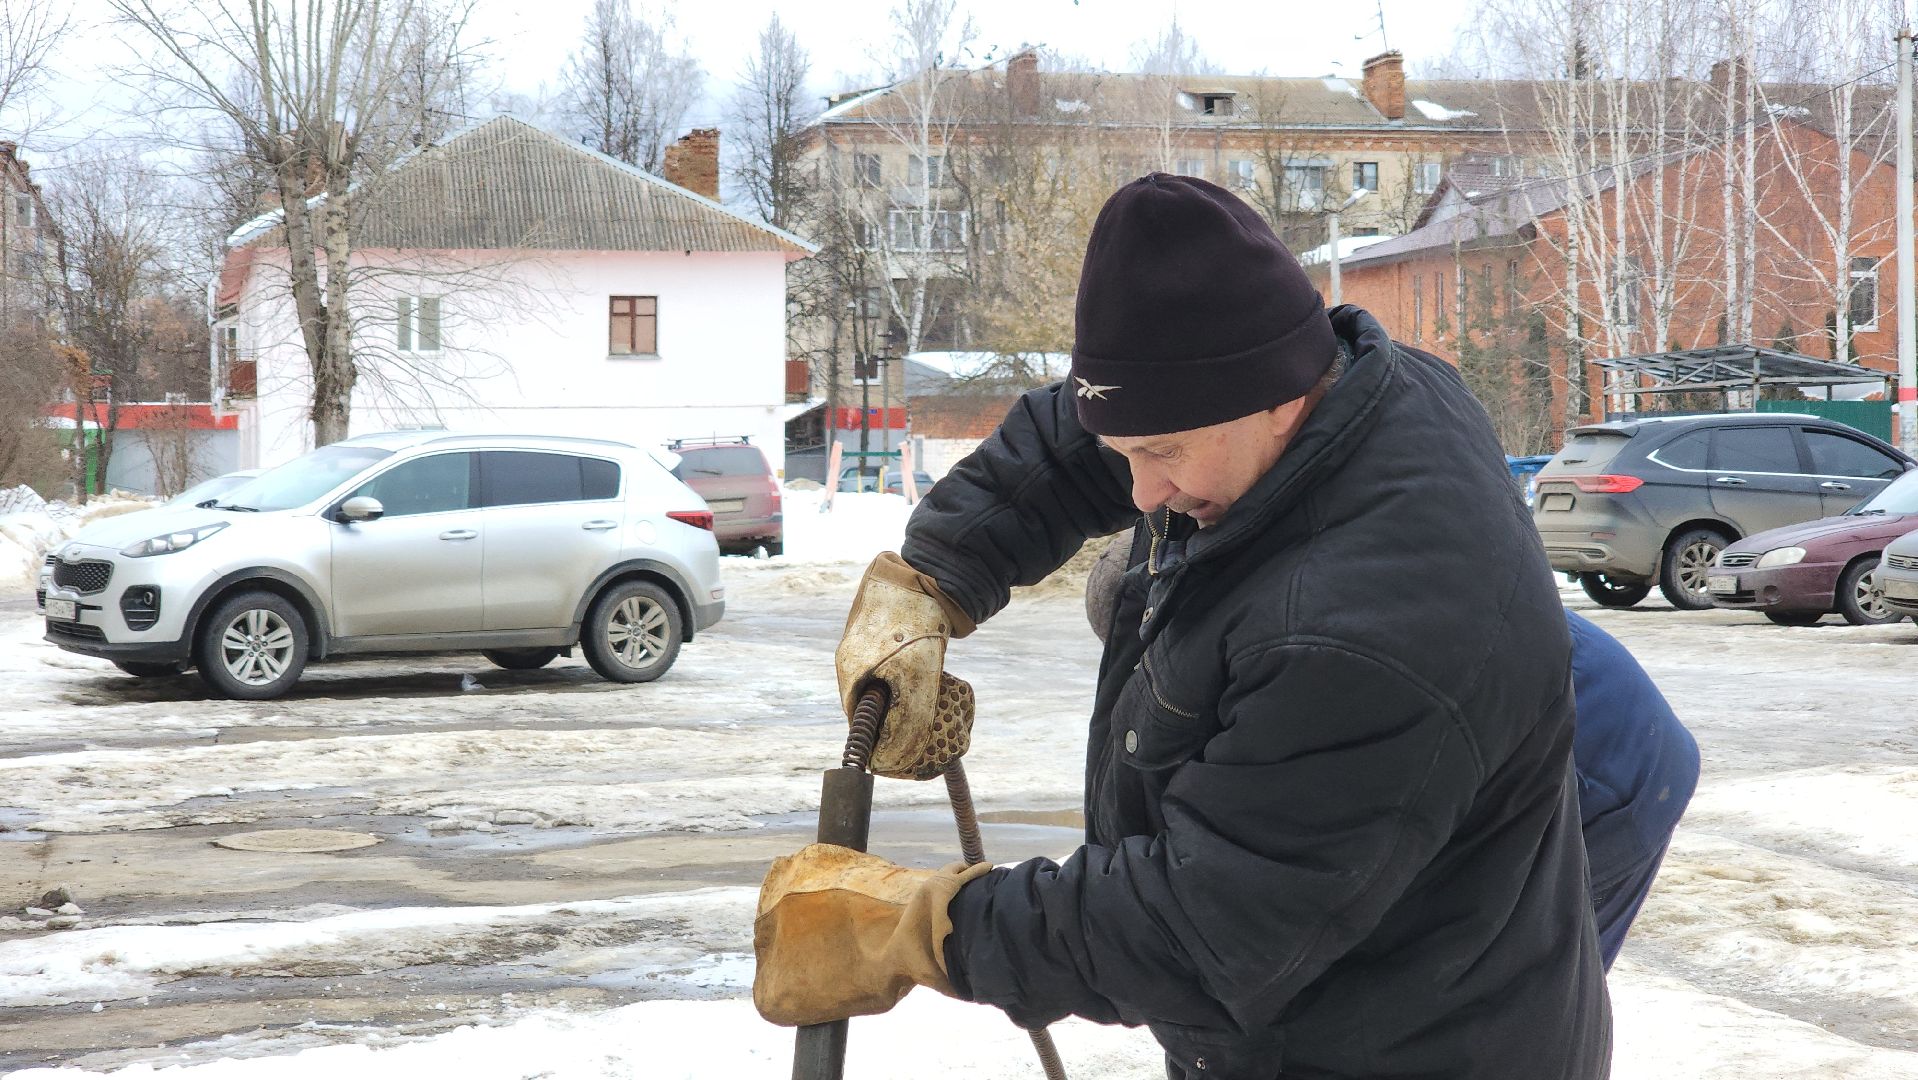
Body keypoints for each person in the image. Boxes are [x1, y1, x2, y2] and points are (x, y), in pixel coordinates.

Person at [754, 173, 1612, 1078]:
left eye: (1161, 456)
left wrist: (927, 929)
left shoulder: (1356, 636)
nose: (1140, 494)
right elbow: (1089, 430)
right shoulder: (1340, 393)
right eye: (1131, 452)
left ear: (1280, 397)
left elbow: (1198, 929)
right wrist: (936, 576)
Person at [1090, 537, 1697, 971]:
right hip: (1559, 718)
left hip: (1613, 765)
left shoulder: (1294, 634)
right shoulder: (1260, 587)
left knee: (1509, 985)